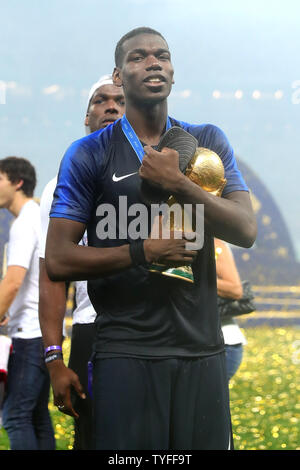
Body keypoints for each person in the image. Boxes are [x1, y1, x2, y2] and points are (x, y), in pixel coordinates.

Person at [44, 27, 257, 450]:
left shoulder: (207, 139)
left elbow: (245, 230)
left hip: (202, 347)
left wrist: (181, 182)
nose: (153, 62)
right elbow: (58, 260)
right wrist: (143, 251)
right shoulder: (89, 153)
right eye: (138, 57)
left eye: (161, 55)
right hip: (125, 349)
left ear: (173, 73)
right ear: (119, 76)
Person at [38, 75, 125, 450]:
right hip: (95, 331)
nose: (110, 106)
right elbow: (53, 276)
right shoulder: (62, 183)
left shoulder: (163, 175)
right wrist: (54, 358)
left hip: (160, 330)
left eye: (120, 101)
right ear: (86, 117)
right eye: (100, 100)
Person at [0, 157, 55, 450]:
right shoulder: (37, 216)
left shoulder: (23, 223)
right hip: (43, 333)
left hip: (29, 334)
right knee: (36, 416)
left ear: (17, 182)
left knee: (15, 416)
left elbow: (13, 281)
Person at [214, 238, 247, 381]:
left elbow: (235, 289)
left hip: (223, 345)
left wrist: (191, 276)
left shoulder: (214, 243)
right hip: (197, 344)